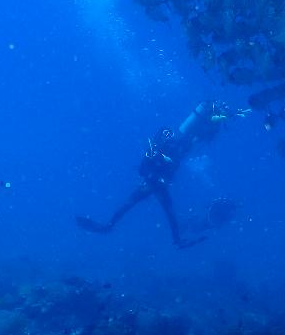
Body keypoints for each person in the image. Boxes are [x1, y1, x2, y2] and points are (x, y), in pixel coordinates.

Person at [76, 100, 247, 248]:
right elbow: (189, 141)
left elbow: (150, 164)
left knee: (145, 207)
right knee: (164, 211)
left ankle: (110, 227)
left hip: (155, 182)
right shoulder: (173, 146)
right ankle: (175, 240)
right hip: (155, 183)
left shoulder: (169, 146)